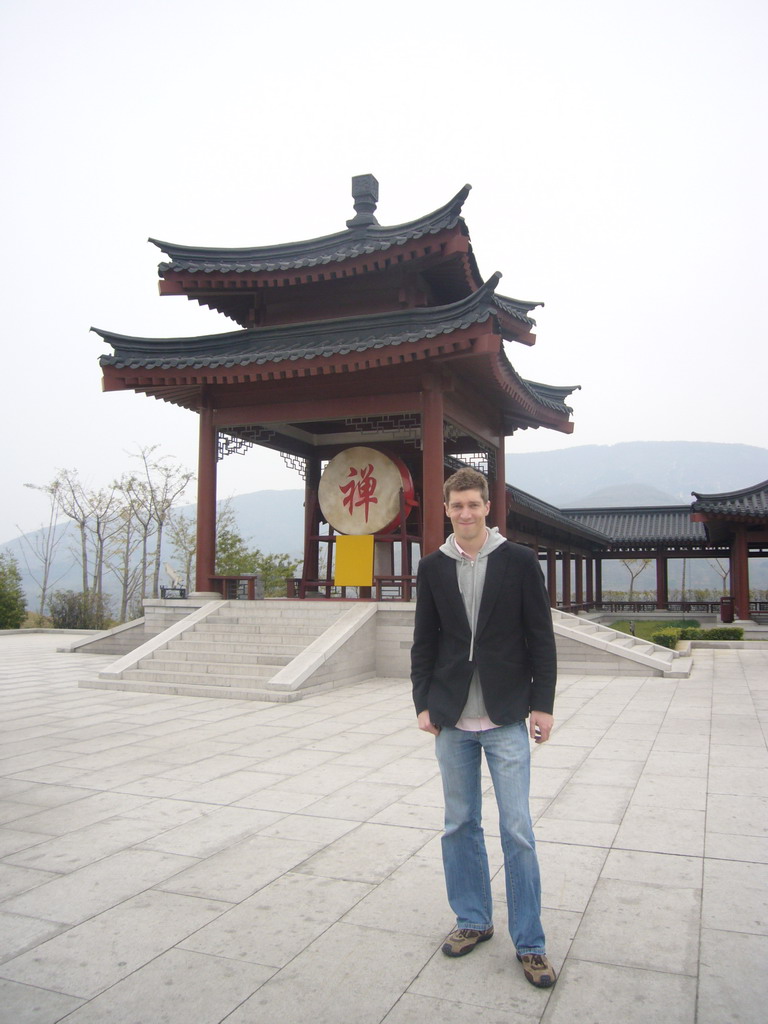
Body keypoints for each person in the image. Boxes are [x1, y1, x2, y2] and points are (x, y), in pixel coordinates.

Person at [411, 467, 557, 988]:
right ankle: (472, 919)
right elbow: (424, 641)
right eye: (457, 507)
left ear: (488, 507)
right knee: (458, 824)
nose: (466, 514)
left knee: (517, 828)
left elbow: (541, 635)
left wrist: (542, 705)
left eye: (474, 504)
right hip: (451, 717)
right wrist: (422, 704)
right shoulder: (433, 567)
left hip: (505, 716)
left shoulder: (518, 561)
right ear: (446, 511)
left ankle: (531, 942)